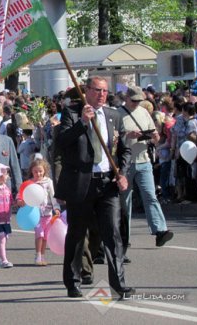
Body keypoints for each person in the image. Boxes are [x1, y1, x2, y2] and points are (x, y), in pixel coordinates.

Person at [55, 77, 134, 299]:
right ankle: (73, 281)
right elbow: (61, 143)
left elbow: (124, 150)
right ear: (87, 91)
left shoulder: (114, 115)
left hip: (107, 183)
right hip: (82, 182)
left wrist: (122, 173)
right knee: (77, 234)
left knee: (113, 234)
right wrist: (82, 123)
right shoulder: (72, 113)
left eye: (105, 91)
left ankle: (119, 284)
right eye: (97, 90)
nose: (101, 95)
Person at [119, 86, 173, 250]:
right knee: (124, 201)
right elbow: (112, 138)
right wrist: (127, 135)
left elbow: (155, 137)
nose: (136, 103)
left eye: (138, 101)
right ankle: (123, 236)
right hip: (125, 162)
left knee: (150, 196)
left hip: (144, 160)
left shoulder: (144, 113)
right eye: (134, 100)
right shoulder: (117, 114)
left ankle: (160, 231)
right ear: (127, 98)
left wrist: (155, 137)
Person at [18, 158, 60, 266]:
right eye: (35, 171)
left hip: (47, 214)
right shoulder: (29, 183)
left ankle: (43, 255)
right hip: (35, 214)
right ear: (31, 171)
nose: (38, 173)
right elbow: (21, 194)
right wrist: (20, 201)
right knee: (39, 234)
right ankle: (37, 255)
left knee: (45, 236)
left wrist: (56, 208)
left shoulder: (48, 182)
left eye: (40, 171)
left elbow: (53, 196)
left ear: (44, 170)